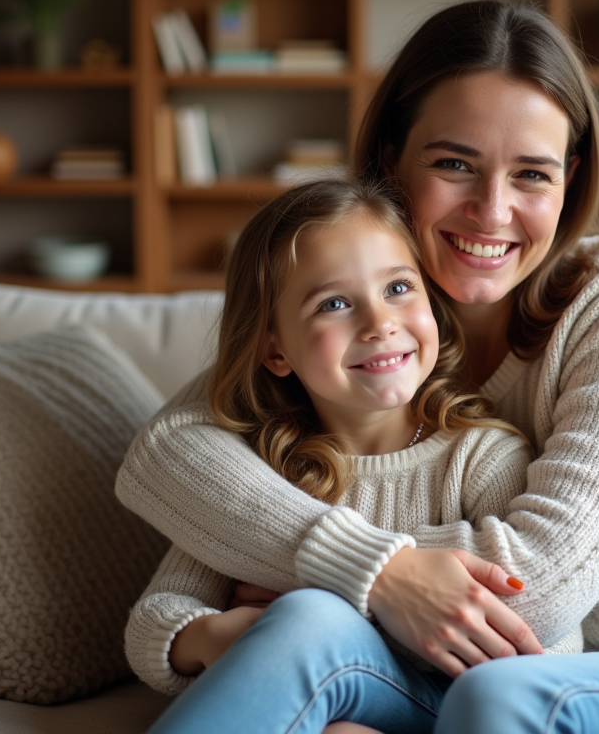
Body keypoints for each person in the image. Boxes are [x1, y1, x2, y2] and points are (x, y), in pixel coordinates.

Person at [117, 0, 599, 734]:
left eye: (531, 174)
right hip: (477, 670)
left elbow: (540, 588)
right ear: (388, 165)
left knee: (493, 697)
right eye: (455, 163)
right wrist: (361, 578)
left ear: (569, 181)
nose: (492, 212)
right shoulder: (383, 316)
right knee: (313, 628)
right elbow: (169, 452)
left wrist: (344, 566)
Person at [125, 179, 552, 733]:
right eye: (334, 303)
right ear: (275, 349)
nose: (380, 324)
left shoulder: (482, 457)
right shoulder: (265, 474)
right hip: (332, 710)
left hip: (457, 710)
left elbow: (544, 630)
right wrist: (217, 635)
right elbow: (154, 620)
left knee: (310, 616)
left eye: (399, 288)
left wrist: (325, 592)